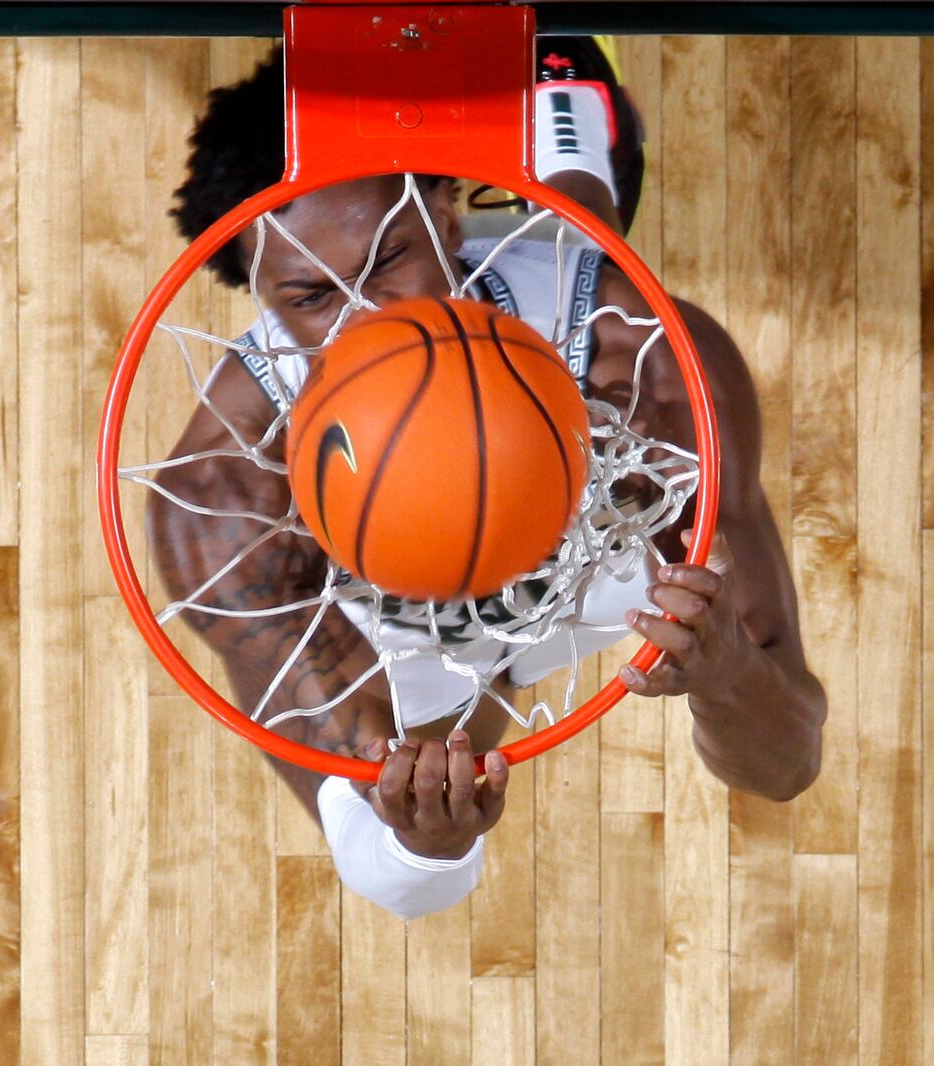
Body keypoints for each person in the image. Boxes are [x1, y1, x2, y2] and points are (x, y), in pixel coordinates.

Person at [149, 41, 827, 921]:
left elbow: (789, 767)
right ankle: (564, 173)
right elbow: (368, 846)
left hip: (599, 566)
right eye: (312, 298)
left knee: (584, 254)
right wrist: (427, 848)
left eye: (388, 260)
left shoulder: (650, 368)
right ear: (265, 299)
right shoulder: (227, 499)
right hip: (402, 635)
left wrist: (730, 674)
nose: (368, 320)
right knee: (403, 850)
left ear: (446, 206)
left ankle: (575, 167)